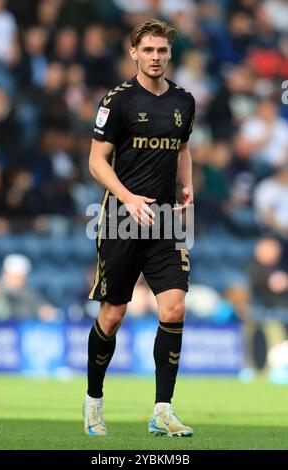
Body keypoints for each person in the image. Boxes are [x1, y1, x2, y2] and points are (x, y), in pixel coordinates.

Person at [83, 19, 195, 437]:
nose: (155, 57)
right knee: (112, 316)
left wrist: (188, 187)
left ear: (169, 54)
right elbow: (96, 162)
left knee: (175, 308)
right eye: (148, 50)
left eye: (162, 51)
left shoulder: (185, 100)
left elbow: (183, 148)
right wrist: (129, 197)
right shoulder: (118, 102)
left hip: (165, 221)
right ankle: (93, 401)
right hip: (120, 220)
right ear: (134, 53)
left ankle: (162, 410)